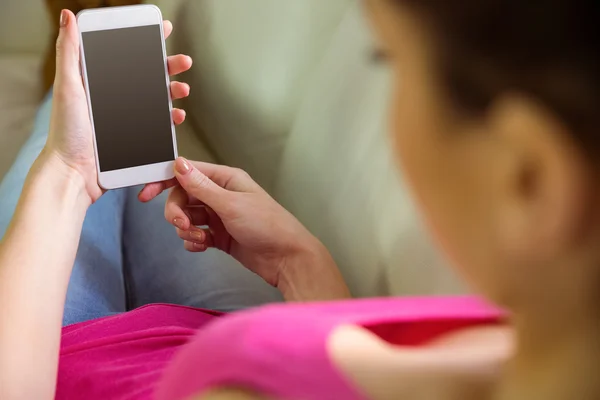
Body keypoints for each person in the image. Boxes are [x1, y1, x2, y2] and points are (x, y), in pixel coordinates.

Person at [0, 0, 597, 397]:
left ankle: (68, 84)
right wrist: (299, 263)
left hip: (51, 363)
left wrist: (67, 174)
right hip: (208, 330)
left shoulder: (244, 385)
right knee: (136, 164)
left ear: (530, 177)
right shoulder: (534, 340)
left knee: (87, 157)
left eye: (390, 61)